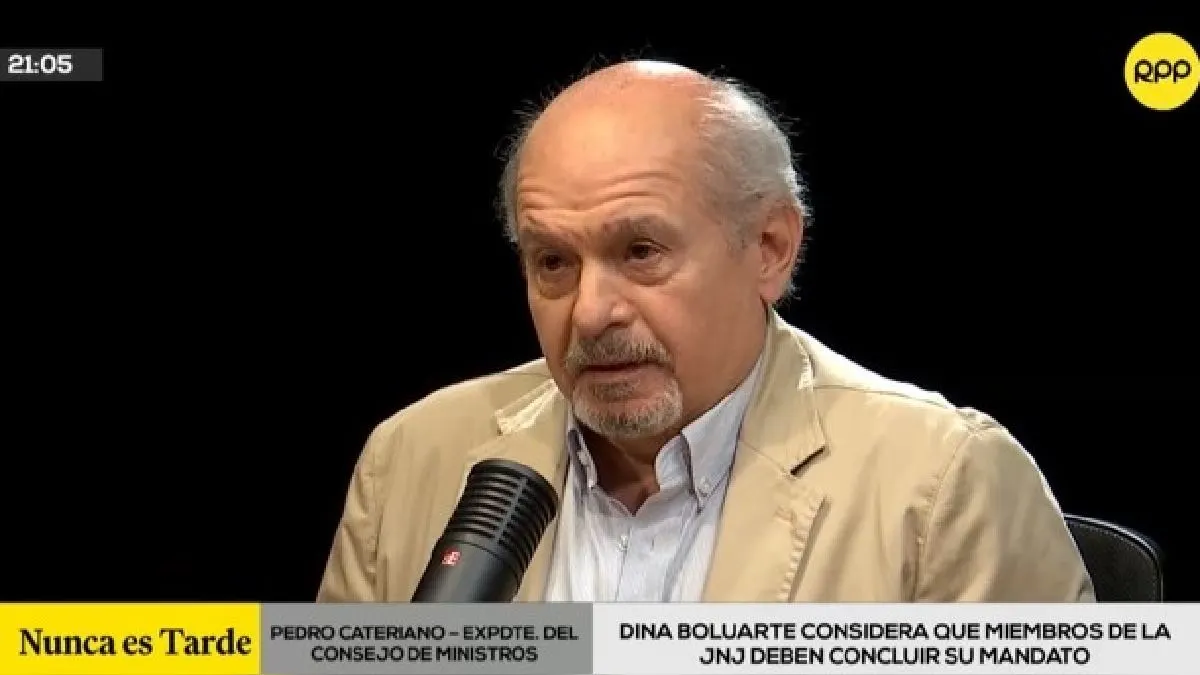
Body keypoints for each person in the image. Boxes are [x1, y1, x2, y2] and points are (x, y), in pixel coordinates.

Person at [317, 60, 1094, 602]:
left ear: (769, 248)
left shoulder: (943, 482)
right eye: (553, 261)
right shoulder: (413, 458)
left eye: (640, 251)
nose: (590, 312)